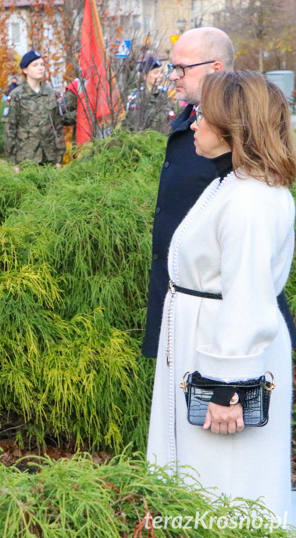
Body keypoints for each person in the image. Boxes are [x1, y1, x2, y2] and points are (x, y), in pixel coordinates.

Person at [147, 70, 296, 521]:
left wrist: (228, 386)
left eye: (204, 117)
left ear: (233, 125)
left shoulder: (249, 199)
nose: (193, 124)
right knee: (202, 475)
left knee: (226, 482)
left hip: (223, 352)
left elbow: (248, 295)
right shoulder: (229, 183)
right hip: (201, 338)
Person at [141, 27, 296, 360]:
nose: (173, 77)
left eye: (182, 68)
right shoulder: (190, 128)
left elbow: (248, 280)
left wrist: (228, 384)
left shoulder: (248, 182)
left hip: (219, 326)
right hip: (190, 310)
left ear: (215, 70)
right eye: (172, 67)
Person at [2, 50, 74, 168]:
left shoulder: (50, 93)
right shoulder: (17, 95)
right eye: (35, 65)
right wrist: (13, 162)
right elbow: (9, 130)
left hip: (49, 158)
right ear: (25, 70)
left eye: (41, 64)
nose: (40, 68)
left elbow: (57, 127)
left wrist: (58, 157)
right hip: (26, 159)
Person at [125, 56, 174, 133]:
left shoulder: (166, 97)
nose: (160, 76)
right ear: (144, 76)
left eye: (161, 72)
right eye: (155, 72)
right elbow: (132, 126)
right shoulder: (137, 99)